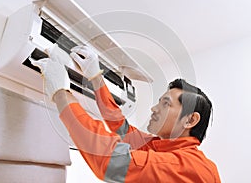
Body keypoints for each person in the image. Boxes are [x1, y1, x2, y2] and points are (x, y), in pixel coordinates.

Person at [30, 45, 221, 183]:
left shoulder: (195, 168)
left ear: (190, 119)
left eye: (165, 104)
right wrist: (96, 79)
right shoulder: (161, 147)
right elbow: (122, 128)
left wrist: (61, 95)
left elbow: (112, 162)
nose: (153, 109)